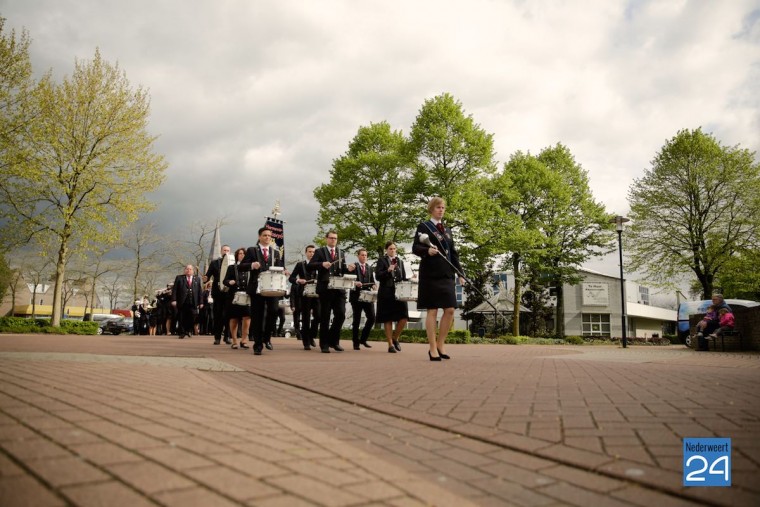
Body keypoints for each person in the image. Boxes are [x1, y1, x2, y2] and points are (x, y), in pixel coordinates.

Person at [412, 197, 465, 361]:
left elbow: (453, 254)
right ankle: (432, 348)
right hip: (430, 274)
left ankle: (441, 344)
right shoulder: (424, 226)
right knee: (432, 310)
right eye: (438, 207)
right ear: (431, 209)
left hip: (446, 274)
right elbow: (415, 247)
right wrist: (427, 251)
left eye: (443, 207)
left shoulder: (447, 230)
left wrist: (461, 273)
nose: (441, 210)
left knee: (450, 310)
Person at [239, 227, 287, 356]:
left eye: (269, 236)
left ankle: (267, 338)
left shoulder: (275, 252)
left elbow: (280, 267)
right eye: (265, 235)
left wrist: (284, 271)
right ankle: (258, 344)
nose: (267, 238)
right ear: (259, 237)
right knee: (257, 317)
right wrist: (251, 265)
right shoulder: (252, 250)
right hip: (257, 288)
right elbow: (240, 267)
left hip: (272, 288)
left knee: (274, 312)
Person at [307, 231, 356, 353]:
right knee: (325, 316)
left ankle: (333, 341)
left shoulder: (341, 252)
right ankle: (324, 344)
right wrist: (321, 264)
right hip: (325, 288)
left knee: (341, 314)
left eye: (335, 238)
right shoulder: (320, 252)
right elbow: (310, 266)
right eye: (331, 238)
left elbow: (342, 269)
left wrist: (348, 269)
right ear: (326, 239)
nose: (333, 240)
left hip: (339, 289)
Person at [375, 241, 409, 353]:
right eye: (390, 248)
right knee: (387, 318)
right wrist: (388, 270)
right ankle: (390, 344)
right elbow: (378, 276)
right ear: (386, 250)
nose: (393, 250)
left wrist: (410, 278)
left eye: (394, 248)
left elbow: (403, 277)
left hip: (399, 292)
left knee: (404, 317)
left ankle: (395, 338)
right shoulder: (381, 260)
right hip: (386, 292)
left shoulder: (400, 261)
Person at [289, 245, 320, 350]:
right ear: (306, 253)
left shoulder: (319, 265)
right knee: (306, 318)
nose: (312, 254)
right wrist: (298, 280)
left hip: (317, 294)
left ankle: (311, 335)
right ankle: (306, 342)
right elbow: (291, 278)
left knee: (319, 316)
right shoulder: (300, 264)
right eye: (310, 252)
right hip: (304, 294)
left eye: (313, 252)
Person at [223, 247, 251, 349]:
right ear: (237, 256)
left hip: (247, 296)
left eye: (244, 253)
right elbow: (224, 281)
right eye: (240, 253)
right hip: (234, 296)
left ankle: (244, 340)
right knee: (234, 318)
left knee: (247, 317)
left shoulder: (250, 268)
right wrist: (229, 282)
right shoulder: (232, 267)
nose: (242, 255)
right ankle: (234, 341)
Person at [204, 244, 232, 345]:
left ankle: (227, 336)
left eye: (228, 250)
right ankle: (217, 337)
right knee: (218, 315)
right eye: (224, 250)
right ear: (221, 251)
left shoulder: (232, 263)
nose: (226, 252)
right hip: (218, 293)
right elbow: (208, 275)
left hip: (229, 292)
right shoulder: (214, 263)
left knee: (228, 315)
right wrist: (205, 279)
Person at [349, 248, 376, 350]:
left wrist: (374, 286)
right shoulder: (353, 266)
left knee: (372, 318)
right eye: (362, 255)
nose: (364, 257)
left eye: (365, 255)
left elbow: (372, 281)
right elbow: (348, 280)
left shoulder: (369, 268)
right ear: (358, 256)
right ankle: (355, 342)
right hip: (356, 296)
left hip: (368, 296)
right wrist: (355, 283)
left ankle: (363, 339)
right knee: (356, 320)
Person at [171, 264, 203, 339]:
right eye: (187, 269)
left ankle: (189, 330)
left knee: (192, 317)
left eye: (190, 269)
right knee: (182, 317)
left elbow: (200, 291)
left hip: (193, 301)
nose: (188, 270)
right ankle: (182, 332)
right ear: (184, 270)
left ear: (193, 271)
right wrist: (174, 300)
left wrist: (201, 302)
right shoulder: (179, 278)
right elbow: (174, 290)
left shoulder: (197, 279)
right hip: (182, 301)